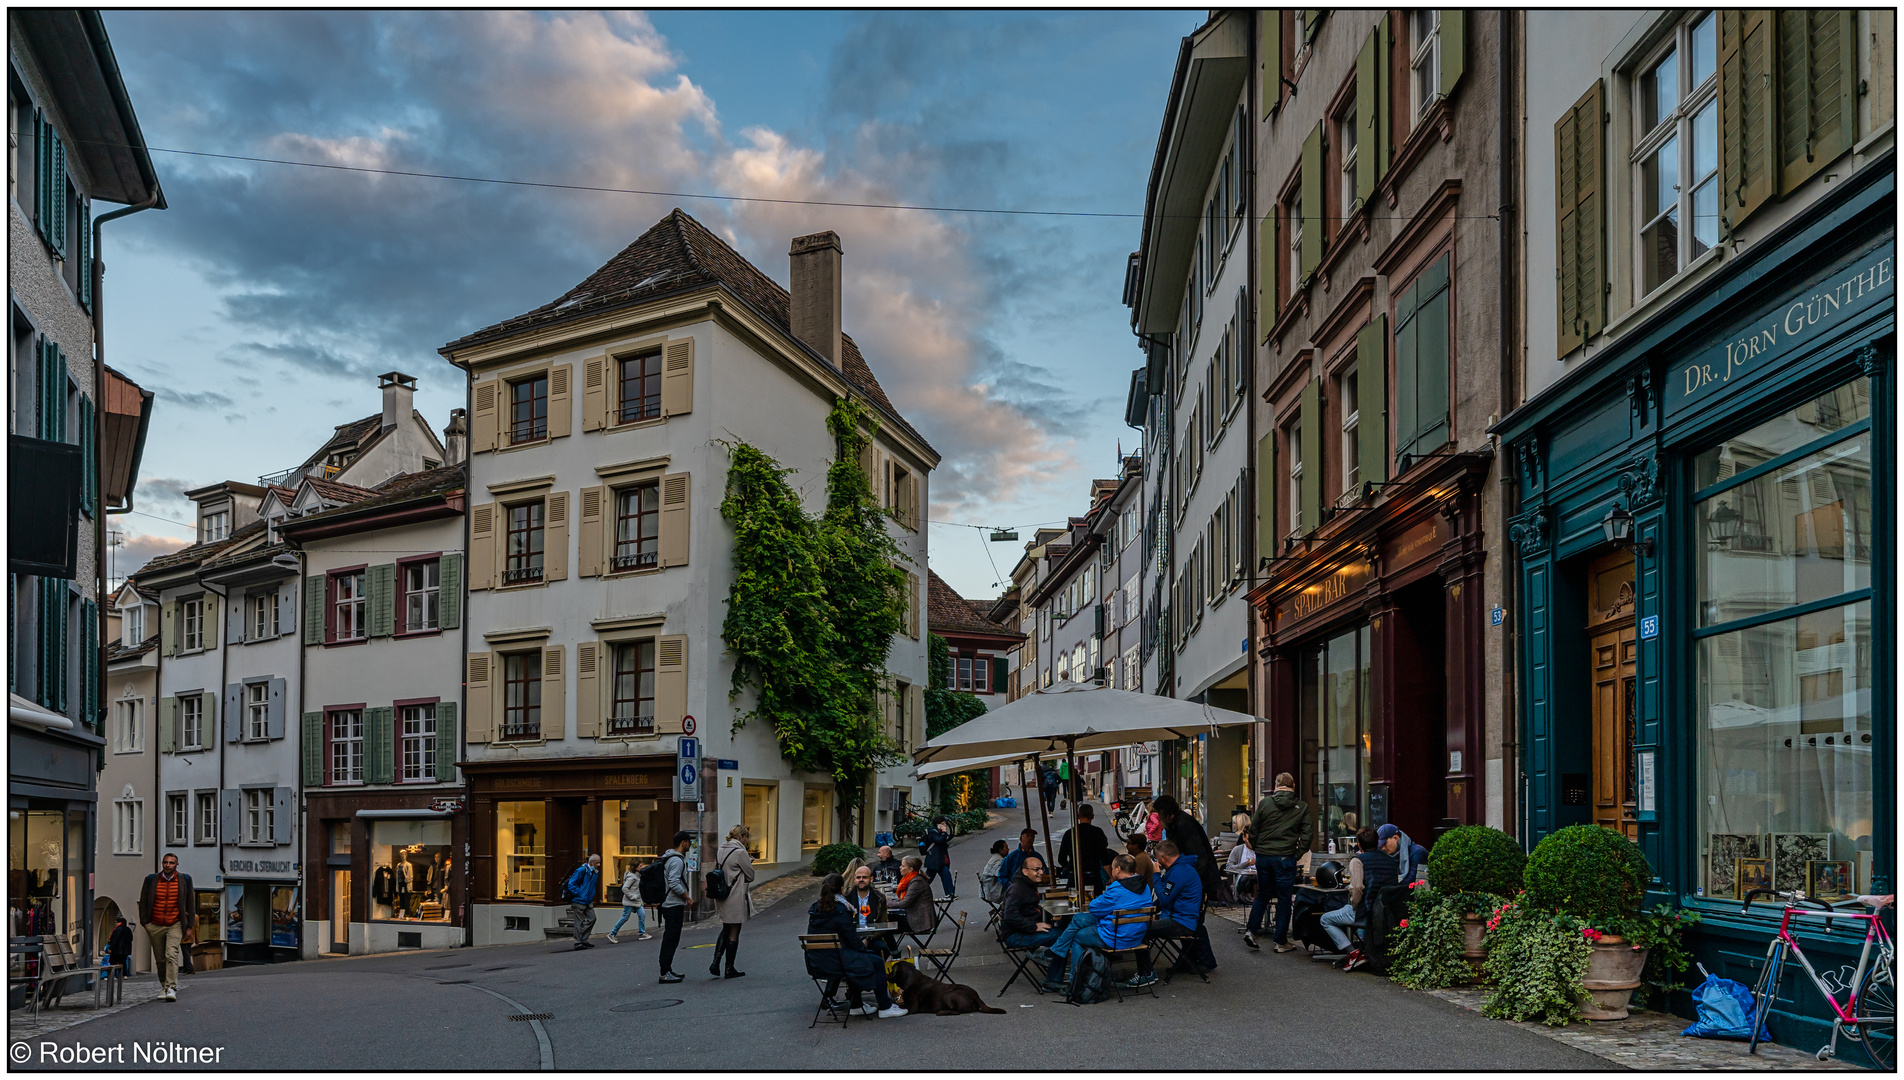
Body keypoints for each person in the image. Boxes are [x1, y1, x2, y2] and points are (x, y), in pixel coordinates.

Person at [1041, 854, 1152, 990]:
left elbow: (1093, 908)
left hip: (1116, 938)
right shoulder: (1144, 887)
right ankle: (1056, 951)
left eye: (1112, 868)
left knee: (1078, 936)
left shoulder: (1116, 890)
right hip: (1136, 936)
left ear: (1117, 869)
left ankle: (1075, 983)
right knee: (1078, 919)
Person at [806, 873, 907, 1018]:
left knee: (859, 957)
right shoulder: (841, 909)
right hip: (839, 961)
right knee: (876, 961)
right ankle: (885, 1006)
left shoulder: (815, 908)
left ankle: (856, 1004)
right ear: (841, 889)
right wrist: (863, 948)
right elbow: (852, 939)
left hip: (816, 961)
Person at [1245, 772, 1310, 953]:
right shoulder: (1301, 807)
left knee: (1263, 894)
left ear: (1276, 785)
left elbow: (1254, 829)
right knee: (1283, 898)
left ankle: (1251, 931)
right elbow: (1307, 835)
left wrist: (1259, 849)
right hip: (1285, 857)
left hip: (1264, 856)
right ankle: (1280, 941)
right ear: (1293, 786)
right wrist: (1296, 854)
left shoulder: (1265, 803)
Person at [1321, 826, 1398, 971]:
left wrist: (1355, 906)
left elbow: (1357, 889)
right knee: (1346, 909)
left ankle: (1353, 952)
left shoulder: (1358, 861)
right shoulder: (1391, 861)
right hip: (1386, 913)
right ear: (1377, 842)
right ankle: (1363, 949)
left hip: (1366, 912)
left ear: (1359, 845)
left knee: (1325, 919)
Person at [137, 852, 196, 1002]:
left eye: (171, 863)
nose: (168, 865)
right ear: (162, 864)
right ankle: (164, 986)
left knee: (171, 954)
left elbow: (190, 904)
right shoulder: (151, 880)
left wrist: (189, 927)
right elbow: (143, 901)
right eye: (165, 862)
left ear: (177, 865)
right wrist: (145, 923)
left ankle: (171, 988)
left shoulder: (185, 880)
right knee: (160, 960)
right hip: (155, 924)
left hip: (175, 923)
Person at [709, 825, 756, 979]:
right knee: (734, 930)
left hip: (722, 895)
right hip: (735, 895)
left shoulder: (721, 849)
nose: (746, 840)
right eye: (746, 837)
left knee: (725, 928)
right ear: (741, 837)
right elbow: (750, 876)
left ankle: (716, 962)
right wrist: (749, 862)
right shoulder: (740, 852)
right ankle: (729, 968)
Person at [1153, 794, 1216, 901]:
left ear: (1163, 812)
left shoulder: (1183, 824)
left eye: (1158, 813)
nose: (1158, 817)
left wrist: (1190, 878)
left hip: (1194, 876)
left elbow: (1197, 855)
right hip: (1188, 874)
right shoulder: (1174, 824)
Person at [997, 855, 1061, 951]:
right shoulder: (1017, 889)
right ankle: (1047, 958)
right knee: (1060, 935)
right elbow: (1010, 915)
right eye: (1037, 869)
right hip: (1014, 936)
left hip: (1021, 931)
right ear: (1025, 871)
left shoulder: (1026, 884)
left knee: (1062, 934)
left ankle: (1051, 959)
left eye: (1042, 869)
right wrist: (1033, 927)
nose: (1041, 872)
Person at [657, 831, 693, 983]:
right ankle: (665, 971)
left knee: (671, 938)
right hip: (672, 904)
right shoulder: (677, 861)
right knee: (671, 938)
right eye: (689, 842)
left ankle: (667, 968)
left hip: (669, 903)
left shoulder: (670, 858)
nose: (690, 844)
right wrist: (687, 897)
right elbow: (673, 882)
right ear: (683, 842)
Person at [1057, 804, 1113, 890]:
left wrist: (1069, 868)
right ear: (1092, 816)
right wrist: (1110, 876)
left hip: (1075, 878)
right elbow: (1104, 858)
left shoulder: (1070, 833)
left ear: (1078, 816)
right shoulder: (1097, 832)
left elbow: (1061, 858)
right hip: (1094, 877)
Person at [562, 854, 602, 950]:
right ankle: (578, 942)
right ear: (591, 862)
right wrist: (579, 894)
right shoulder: (581, 870)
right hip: (579, 900)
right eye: (597, 862)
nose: (599, 864)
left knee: (592, 919)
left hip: (587, 900)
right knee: (578, 922)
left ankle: (583, 939)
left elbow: (592, 885)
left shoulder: (594, 872)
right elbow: (571, 884)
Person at [894, 854, 936, 935]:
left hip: (920, 921)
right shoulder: (911, 879)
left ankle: (891, 947)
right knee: (890, 919)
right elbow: (905, 898)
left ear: (910, 869)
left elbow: (904, 903)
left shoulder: (916, 882)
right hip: (916, 917)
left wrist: (885, 903)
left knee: (889, 923)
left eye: (902, 866)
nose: (900, 868)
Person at [846, 865, 890, 936]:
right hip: (852, 935)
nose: (861, 880)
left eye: (864, 877)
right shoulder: (847, 897)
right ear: (854, 879)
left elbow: (883, 924)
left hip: (872, 935)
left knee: (882, 947)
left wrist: (869, 939)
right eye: (858, 877)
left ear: (871, 879)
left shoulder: (879, 898)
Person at [919, 816, 955, 898]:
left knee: (943, 875)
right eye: (943, 823)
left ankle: (949, 893)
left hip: (939, 859)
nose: (944, 825)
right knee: (929, 877)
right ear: (937, 824)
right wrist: (944, 832)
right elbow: (939, 840)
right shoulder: (933, 832)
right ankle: (917, 891)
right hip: (935, 859)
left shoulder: (937, 831)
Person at [1226, 833, 1257, 902]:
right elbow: (1228, 869)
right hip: (1243, 878)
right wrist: (1245, 864)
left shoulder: (1260, 850)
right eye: (1249, 840)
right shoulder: (1238, 850)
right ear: (1244, 838)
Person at [979, 840, 1009, 904]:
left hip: (988, 889)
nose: (1008, 849)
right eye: (1006, 847)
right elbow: (1002, 874)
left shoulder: (996, 858)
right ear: (1000, 850)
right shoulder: (997, 861)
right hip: (991, 892)